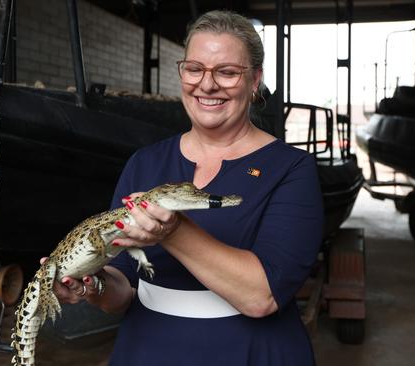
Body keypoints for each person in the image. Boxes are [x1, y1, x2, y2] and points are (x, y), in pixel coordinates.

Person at [50, 9, 324, 365]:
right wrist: (92, 285)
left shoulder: (291, 169)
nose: (207, 85)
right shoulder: (144, 163)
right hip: (146, 349)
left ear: (255, 80)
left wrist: (172, 231)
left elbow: (262, 297)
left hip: (249, 352)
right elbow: (125, 286)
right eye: (194, 69)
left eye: (226, 72)